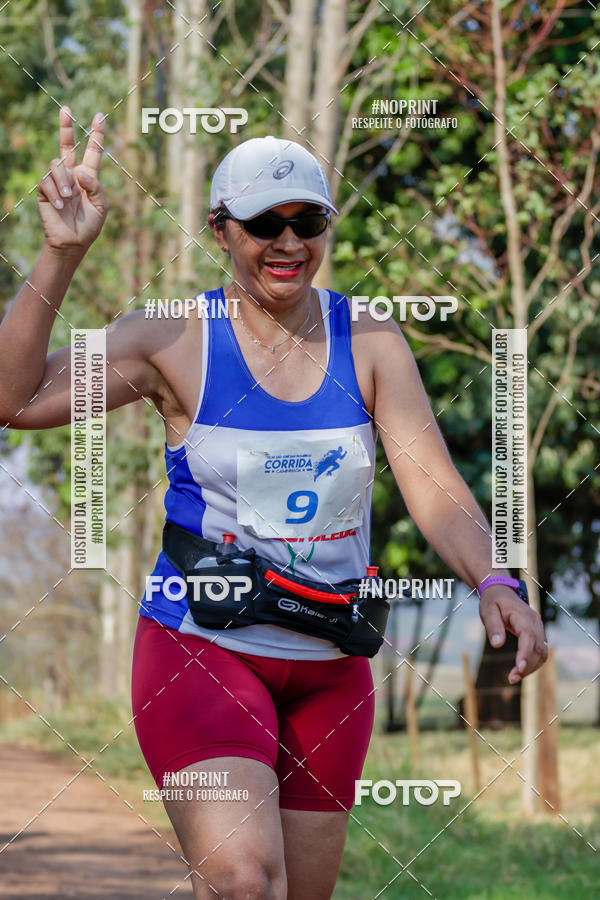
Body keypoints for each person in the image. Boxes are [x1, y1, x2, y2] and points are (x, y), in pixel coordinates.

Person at [0, 106, 548, 900]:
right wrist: (58, 256)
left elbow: (434, 486)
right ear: (220, 230)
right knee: (243, 880)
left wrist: (496, 581)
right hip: (200, 648)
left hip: (330, 663)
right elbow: (13, 401)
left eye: (307, 221)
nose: (288, 242)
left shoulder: (370, 339)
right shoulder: (172, 338)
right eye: (264, 223)